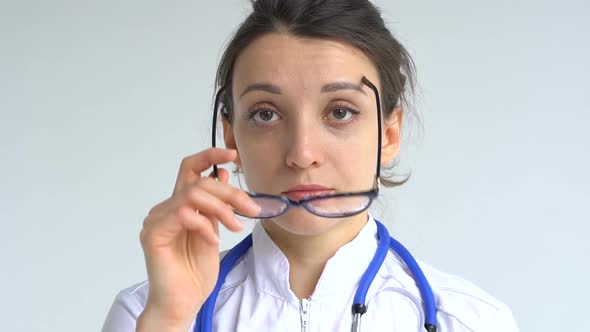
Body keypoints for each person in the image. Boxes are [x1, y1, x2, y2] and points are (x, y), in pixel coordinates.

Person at [102, 0, 519, 331]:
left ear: (388, 135)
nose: (302, 153)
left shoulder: (471, 322)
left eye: (339, 112)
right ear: (231, 138)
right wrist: (170, 320)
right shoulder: (145, 315)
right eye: (266, 114)